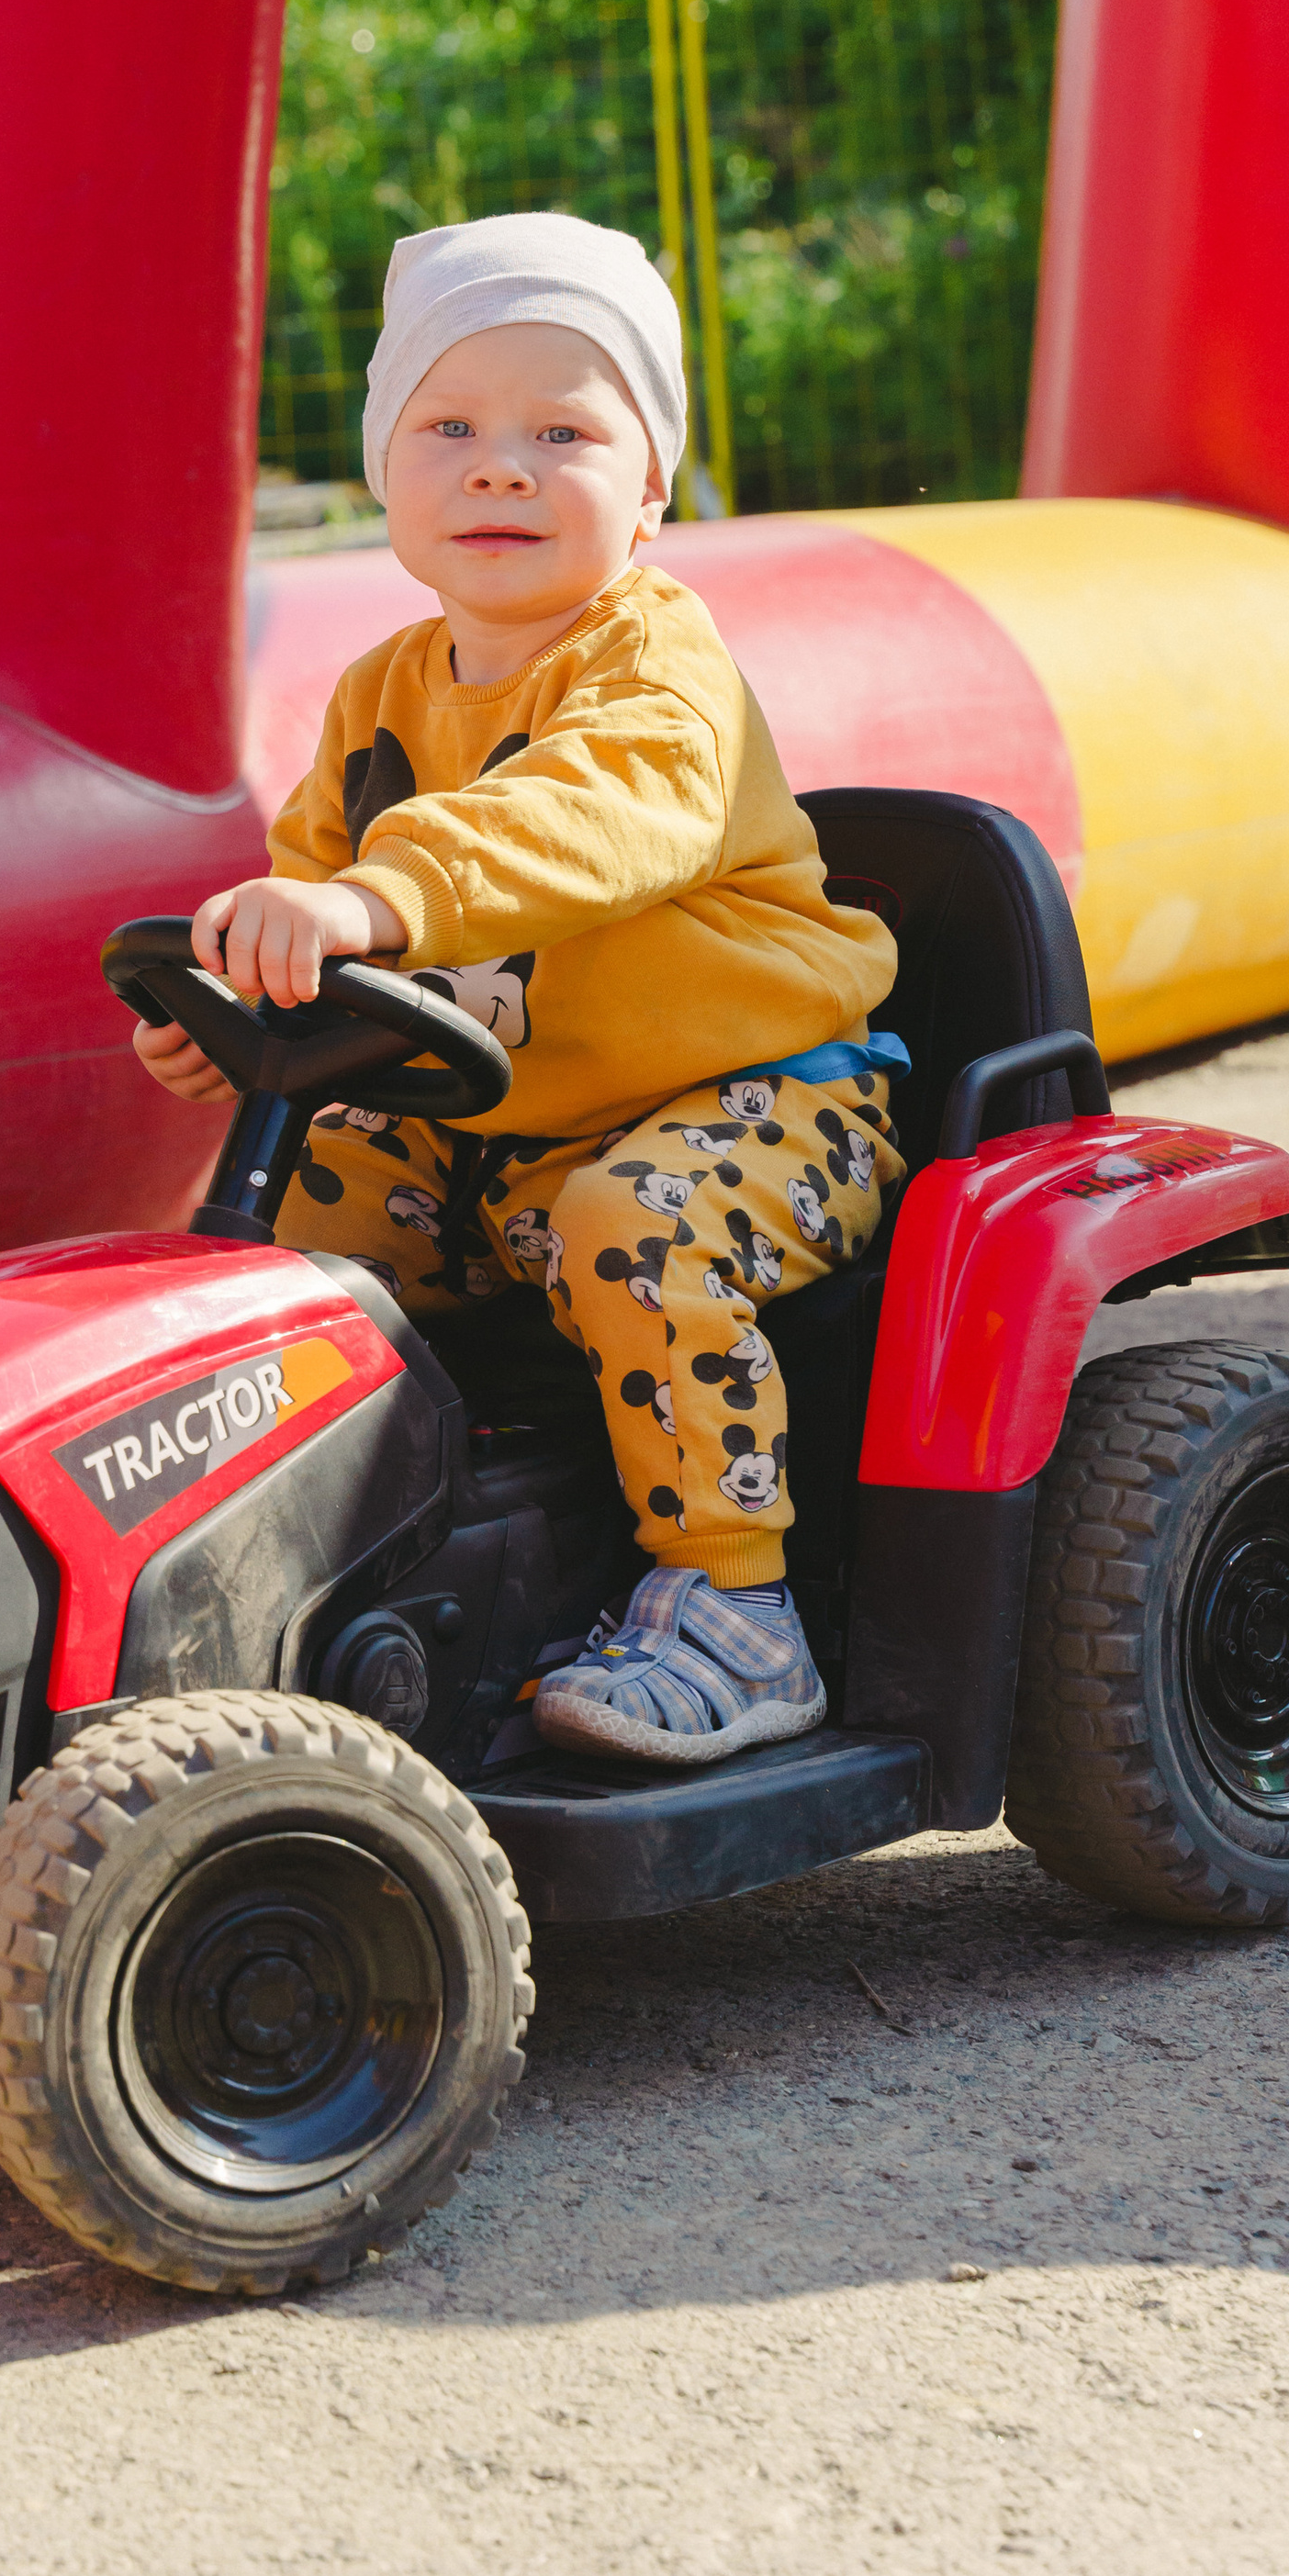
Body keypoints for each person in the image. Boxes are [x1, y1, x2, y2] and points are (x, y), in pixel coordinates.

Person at [133, 212, 903, 1768]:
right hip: (501, 1134)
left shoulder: (657, 667)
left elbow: (588, 812)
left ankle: (738, 1613)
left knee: (640, 1227)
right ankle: (297, 1560)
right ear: (386, 472)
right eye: (452, 427)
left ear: (654, 486)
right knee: (278, 1225)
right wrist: (241, 1015)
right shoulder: (382, 692)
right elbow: (317, 884)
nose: (502, 466)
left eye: (564, 430)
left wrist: (375, 896)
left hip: (763, 1100)